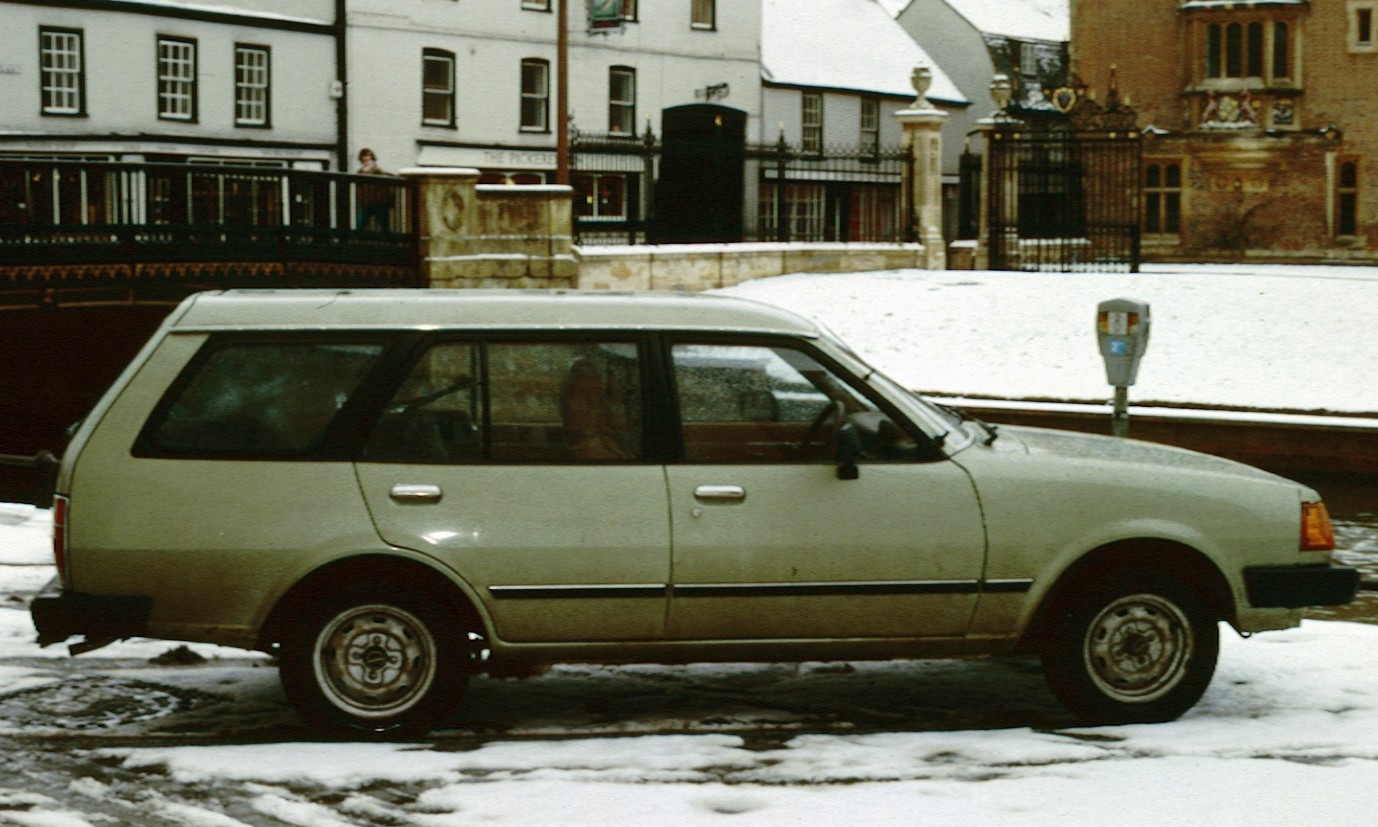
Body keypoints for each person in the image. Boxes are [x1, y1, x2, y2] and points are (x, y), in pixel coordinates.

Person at [355, 148, 393, 231]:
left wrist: (383, 198)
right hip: (366, 202)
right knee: (360, 223)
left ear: (372, 157)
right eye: (364, 155)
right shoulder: (359, 172)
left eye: (368, 155)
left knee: (384, 225)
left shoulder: (378, 170)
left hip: (379, 202)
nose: (366, 158)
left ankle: (387, 242)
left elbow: (386, 184)